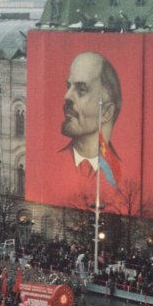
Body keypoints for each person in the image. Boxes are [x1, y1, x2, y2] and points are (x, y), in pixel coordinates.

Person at [54, 51, 124, 203]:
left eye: (81, 89)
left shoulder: (121, 172)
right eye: (68, 86)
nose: (66, 96)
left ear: (106, 112)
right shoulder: (51, 163)